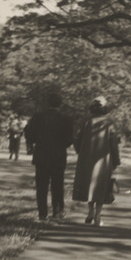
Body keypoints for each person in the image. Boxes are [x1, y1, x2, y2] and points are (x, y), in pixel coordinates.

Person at [24, 94, 75, 222]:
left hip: (41, 154)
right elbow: (70, 139)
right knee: (57, 185)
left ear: (48, 103)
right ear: (60, 104)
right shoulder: (66, 119)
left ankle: (42, 214)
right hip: (58, 155)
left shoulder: (38, 117)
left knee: (41, 186)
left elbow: (29, 134)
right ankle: (57, 211)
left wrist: (36, 142)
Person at [72, 96, 121, 227]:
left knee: (89, 185)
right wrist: (116, 160)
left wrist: (80, 151)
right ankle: (98, 215)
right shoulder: (110, 122)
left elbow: (76, 138)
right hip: (104, 159)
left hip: (86, 157)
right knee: (101, 186)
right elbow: (114, 143)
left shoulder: (85, 120)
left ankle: (90, 211)